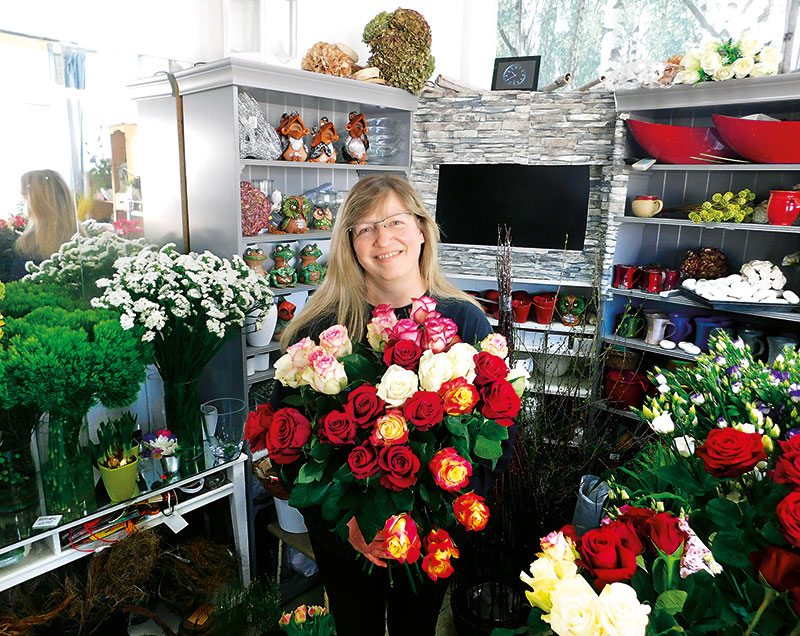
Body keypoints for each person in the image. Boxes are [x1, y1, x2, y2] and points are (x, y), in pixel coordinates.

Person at [273, 174, 517, 636]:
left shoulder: (464, 321)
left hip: (430, 533)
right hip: (347, 539)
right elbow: (286, 442)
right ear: (350, 244)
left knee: (416, 628)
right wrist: (348, 524)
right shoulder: (323, 328)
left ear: (422, 229)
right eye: (365, 228)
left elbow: (500, 436)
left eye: (394, 222)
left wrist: (439, 512)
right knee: (355, 627)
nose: (383, 238)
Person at [10, 170, 78, 279]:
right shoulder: (79, 237)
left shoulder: (30, 243)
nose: (24, 201)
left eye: (25, 196)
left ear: (37, 202)